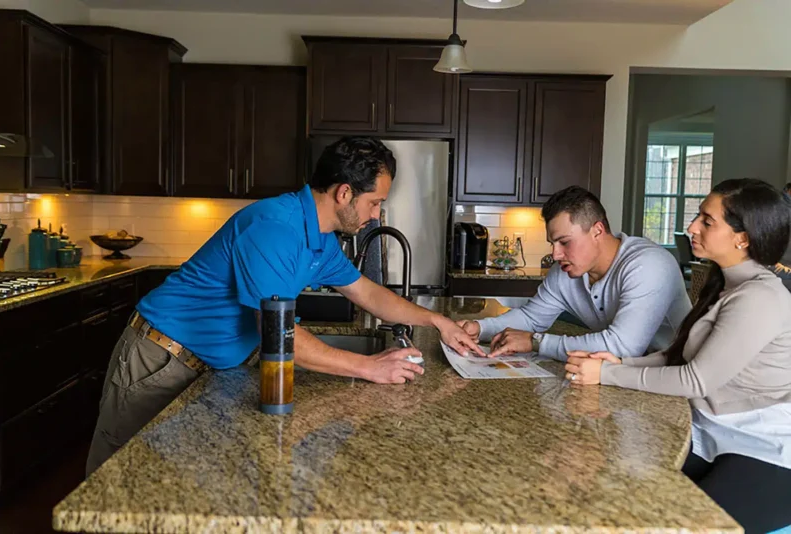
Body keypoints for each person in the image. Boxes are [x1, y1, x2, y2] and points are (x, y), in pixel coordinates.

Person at [86, 136, 482, 475]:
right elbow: (277, 335)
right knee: (118, 481)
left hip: (208, 369)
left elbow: (369, 293)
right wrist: (369, 367)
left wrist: (438, 322)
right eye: (375, 203)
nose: (376, 214)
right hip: (159, 360)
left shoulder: (321, 237)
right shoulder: (276, 228)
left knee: (169, 486)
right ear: (344, 193)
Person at [565, 178, 791, 534]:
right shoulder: (725, 284)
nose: (691, 228)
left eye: (706, 220)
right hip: (713, 432)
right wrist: (619, 363)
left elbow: (695, 379)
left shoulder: (759, 298)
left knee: (682, 527)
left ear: (742, 238)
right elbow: (677, 356)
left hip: (766, 449)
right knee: (621, 494)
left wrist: (605, 375)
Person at [458, 186, 691, 360]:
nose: (556, 254)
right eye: (552, 243)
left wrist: (536, 342)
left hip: (671, 381)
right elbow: (532, 318)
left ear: (597, 231)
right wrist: (480, 327)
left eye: (564, 242)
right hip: (617, 374)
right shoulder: (566, 271)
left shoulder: (648, 265)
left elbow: (624, 346)